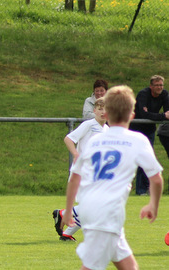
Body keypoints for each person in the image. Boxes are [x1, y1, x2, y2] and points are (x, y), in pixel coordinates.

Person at [62, 85, 163, 270]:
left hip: (91, 208)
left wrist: (68, 210)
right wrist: (153, 205)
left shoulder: (95, 141)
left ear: (106, 114)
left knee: (129, 266)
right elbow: (156, 178)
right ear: (132, 115)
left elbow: (75, 177)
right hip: (106, 212)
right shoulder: (137, 140)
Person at [53, 98, 108, 241]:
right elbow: (69, 139)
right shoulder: (89, 125)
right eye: (100, 109)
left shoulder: (107, 129)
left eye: (106, 109)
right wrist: (76, 154)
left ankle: (66, 233)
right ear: (94, 110)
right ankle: (63, 214)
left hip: (96, 173)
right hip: (82, 171)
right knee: (92, 207)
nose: (103, 112)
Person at [129, 75, 168, 195]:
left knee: (147, 158)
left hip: (150, 130)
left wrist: (158, 115)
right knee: (136, 158)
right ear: (151, 86)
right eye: (157, 85)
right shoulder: (143, 94)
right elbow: (143, 114)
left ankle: (144, 189)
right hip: (136, 129)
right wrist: (161, 116)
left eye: (161, 85)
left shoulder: (164, 94)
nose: (159, 87)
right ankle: (139, 190)